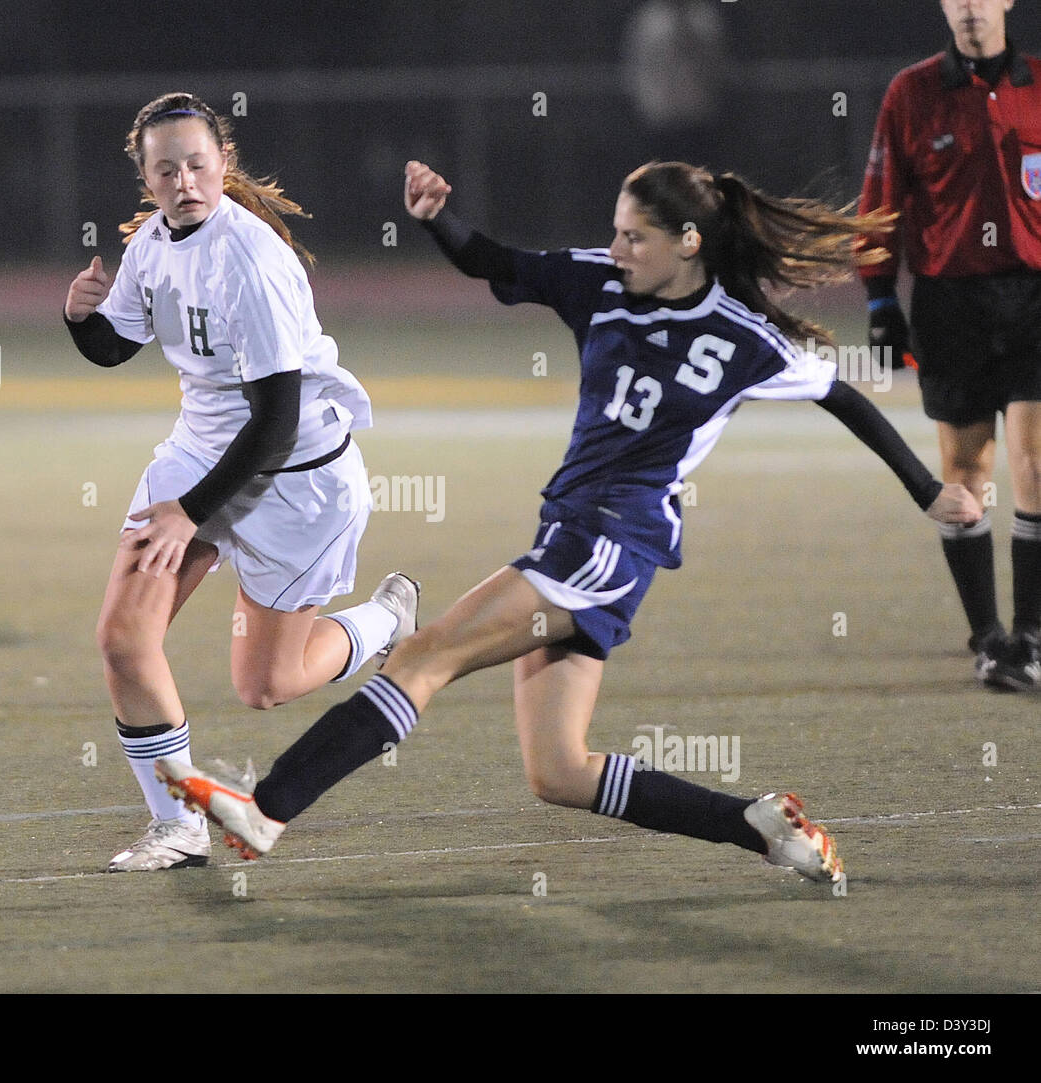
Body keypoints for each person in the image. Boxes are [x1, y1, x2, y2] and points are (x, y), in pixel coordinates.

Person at [155, 158, 982, 883]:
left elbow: (843, 397)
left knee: (429, 652)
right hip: (576, 540)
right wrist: (440, 221)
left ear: (689, 242)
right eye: (616, 232)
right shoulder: (600, 284)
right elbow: (497, 263)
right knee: (558, 770)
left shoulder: (743, 337)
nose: (616, 248)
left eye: (635, 237)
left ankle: (267, 809)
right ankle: (756, 825)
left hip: (611, 544)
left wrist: (925, 489)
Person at [63, 93, 418, 873]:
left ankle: (383, 622)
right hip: (201, 453)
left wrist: (190, 515)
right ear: (147, 180)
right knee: (124, 639)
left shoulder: (247, 259)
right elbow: (114, 345)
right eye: (167, 169)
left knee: (266, 684)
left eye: (197, 163)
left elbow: (276, 421)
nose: (185, 180)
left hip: (295, 477)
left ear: (223, 161)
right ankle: (179, 825)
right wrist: (79, 316)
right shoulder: (154, 242)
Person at [860, 0, 1041, 691]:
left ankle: (1030, 633)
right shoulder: (911, 93)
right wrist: (879, 297)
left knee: (1035, 463)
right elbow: (881, 199)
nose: (968, 7)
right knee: (968, 475)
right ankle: (989, 638)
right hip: (950, 304)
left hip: (1033, 298)